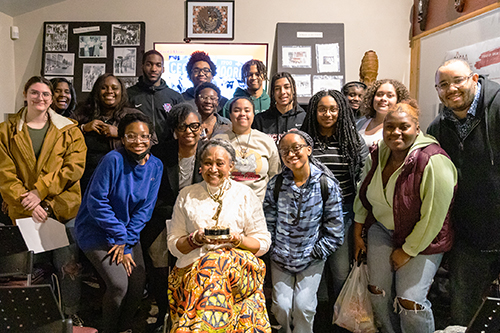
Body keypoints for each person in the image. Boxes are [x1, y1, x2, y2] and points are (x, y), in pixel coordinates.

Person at [354, 101, 457, 333]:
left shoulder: (433, 160)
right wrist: (357, 232)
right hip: (382, 229)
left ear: (417, 128)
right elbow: (364, 192)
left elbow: (434, 217)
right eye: (390, 127)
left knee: (410, 301)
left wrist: (408, 250)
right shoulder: (379, 153)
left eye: (404, 126)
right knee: (377, 292)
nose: (395, 132)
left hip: (422, 237)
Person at [0, 76, 87, 326]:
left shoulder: (69, 129)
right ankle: (37, 319)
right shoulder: (5, 131)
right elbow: (5, 175)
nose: (41, 98)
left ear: (52, 98)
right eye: (35, 93)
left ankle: (70, 316)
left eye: (46, 94)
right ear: (25, 95)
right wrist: (33, 203)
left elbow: (73, 169)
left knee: (68, 267)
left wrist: (42, 196)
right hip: (25, 211)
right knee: (30, 269)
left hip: (61, 210)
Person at [167, 138, 272, 332]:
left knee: (214, 264)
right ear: (200, 166)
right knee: (210, 270)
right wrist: (194, 239)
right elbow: (174, 246)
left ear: (231, 166)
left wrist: (236, 239)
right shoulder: (187, 195)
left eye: (220, 163)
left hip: (239, 269)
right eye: (208, 163)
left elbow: (263, 243)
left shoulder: (245, 195)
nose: (213, 168)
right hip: (193, 268)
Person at [427, 58, 500, 326]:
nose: (451, 88)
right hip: (469, 237)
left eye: (457, 80)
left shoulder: (498, 108)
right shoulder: (437, 127)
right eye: (443, 84)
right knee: (464, 313)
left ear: (474, 78)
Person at [75, 113, 163, 333]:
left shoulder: (156, 166)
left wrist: (127, 240)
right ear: (122, 139)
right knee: (118, 285)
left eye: (144, 136)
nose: (138, 141)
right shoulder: (113, 159)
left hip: (126, 233)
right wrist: (120, 238)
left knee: (137, 284)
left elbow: (146, 209)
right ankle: (108, 329)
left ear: (151, 138)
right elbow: (96, 201)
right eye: (131, 136)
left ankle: (123, 329)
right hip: (96, 229)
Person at [264, 129, 344, 333]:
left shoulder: (326, 184)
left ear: (308, 149)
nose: (291, 154)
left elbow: (335, 230)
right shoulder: (276, 184)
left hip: (311, 259)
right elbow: (268, 222)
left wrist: (317, 251)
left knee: (304, 307)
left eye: (296, 148)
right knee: (281, 306)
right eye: (284, 151)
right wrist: (273, 247)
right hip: (280, 258)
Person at [301, 90, 368, 316]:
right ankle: (317, 318)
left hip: (344, 215)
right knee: (314, 270)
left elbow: (362, 177)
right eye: (322, 109)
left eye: (333, 109)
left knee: (340, 271)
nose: (327, 114)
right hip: (311, 216)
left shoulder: (353, 140)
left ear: (341, 111)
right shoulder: (304, 139)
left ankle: (342, 319)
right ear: (314, 111)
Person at [142, 103, 204, 329]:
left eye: (194, 126)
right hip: (162, 217)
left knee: (189, 267)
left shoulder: (208, 152)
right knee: (159, 266)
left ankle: (187, 313)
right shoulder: (160, 153)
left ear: (201, 128)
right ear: (175, 130)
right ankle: (163, 311)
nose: (189, 131)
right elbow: (151, 192)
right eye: (183, 127)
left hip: (197, 221)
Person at [71, 73, 144, 193]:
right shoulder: (82, 112)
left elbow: (151, 142)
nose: (109, 91)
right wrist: (83, 128)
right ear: (97, 91)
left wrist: (121, 134)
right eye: (104, 88)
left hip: (121, 179)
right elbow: (63, 135)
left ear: (122, 92)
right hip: (84, 179)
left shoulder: (133, 116)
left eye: (114, 88)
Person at [214, 96, 280, 201]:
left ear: (253, 114)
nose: (242, 114)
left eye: (247, 110)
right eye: (236, 110)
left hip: (259, 204)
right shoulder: (219, 141)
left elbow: (274, 174)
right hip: (227, 202)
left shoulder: (266, 141)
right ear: (230, 115)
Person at [127, 50, 184, 138]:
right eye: (149, 64)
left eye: (158, 65)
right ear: (142, 66)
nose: (153, 69)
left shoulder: (175, 97)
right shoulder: (129, 94)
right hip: (138, 146)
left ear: (163, 69)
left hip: (166, 148)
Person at [253, 72, 306, 143]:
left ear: (294, 90)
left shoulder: (304, 118)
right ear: (273, 93)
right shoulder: (260, 120)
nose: (282, 92)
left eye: (287, 87)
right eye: (277, 89)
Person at [357, 79, 410, 147]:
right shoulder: (360, 123)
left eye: (390, 95)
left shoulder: (402, 128)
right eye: (379, 94)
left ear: (399, 100)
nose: (383, 98)